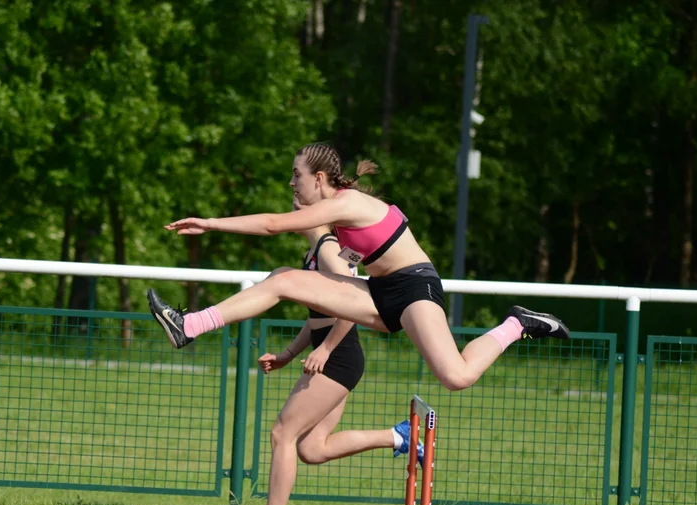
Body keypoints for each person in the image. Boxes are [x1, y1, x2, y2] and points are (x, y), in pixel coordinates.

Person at [147, 141, 570, 393]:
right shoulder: (336, 214)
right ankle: (189, 326)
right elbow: (343, 266)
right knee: (283, 279)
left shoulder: (346, 204)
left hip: (414, 288)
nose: (291, 183)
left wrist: (209, 222)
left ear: (318, 179)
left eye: (296, 175)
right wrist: (299, 345)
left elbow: (275, 224)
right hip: (378, 292)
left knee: (455, 377)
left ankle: (517, 323)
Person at [220, 199, 422, 505]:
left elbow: (352, 309)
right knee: (312, 449)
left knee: (282, 432)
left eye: (295, 197)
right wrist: (288, 354)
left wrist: (326, 349)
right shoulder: (313, 252)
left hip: (339, 357)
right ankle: (399, 437)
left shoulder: (330, 251)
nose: (291, 208)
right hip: (336, 356)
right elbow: (318, 316)